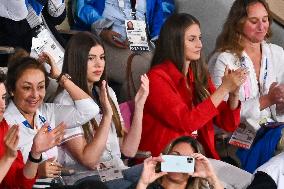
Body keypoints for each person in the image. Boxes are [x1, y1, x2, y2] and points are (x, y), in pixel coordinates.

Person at [138, 13, 248, 160]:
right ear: (174, 42)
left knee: (245, 180)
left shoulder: (198, 74)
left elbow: (227, 124)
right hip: (165, 161)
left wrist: (234, 93)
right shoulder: (156, 78)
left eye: (199, 38)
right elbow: (187, 122)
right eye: (192, 39)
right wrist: (224, 88)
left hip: (197, 159)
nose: (200, 44)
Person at [53, 31, 149, 188]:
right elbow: (89, 160)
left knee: (162, 172)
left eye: (102, 57)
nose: (99, 64)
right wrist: (107, 115)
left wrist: (139, 106)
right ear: (77, 61)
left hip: (117, 170)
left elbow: (129, 151)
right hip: (87, 179)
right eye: (91, 58)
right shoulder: (65, 101)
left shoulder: (106, 91)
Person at [208, 0, 284, 173]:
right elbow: (220, 118)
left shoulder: (277, 53)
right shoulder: (224, 60)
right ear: (238, 23)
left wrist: (280, 102)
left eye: (265, 20)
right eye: (254, 21)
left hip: (274, 129)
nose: (262, 27)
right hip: (234, 140)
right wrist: (266, 100)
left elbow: (279, 112)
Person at [3, 51, 99, 180]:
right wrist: (37, 171)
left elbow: (90, 109)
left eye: (41, 87)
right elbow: (6, 177)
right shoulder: (5, 122)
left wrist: (60, 77)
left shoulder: (47, 111)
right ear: (11, 90)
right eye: (27, 88)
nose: (35, 95)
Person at [70, 0, 175, 101]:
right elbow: (82, 7)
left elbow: (164, 10)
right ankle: (127, 117)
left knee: (163, 67)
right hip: (103, 39)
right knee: (142, 69)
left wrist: (158, 38)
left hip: (142, 40)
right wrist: (102, 29)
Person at [0, 71, 65, 189]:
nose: (2, 105)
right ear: (13, 91)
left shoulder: (4, 127)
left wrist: (35, 154)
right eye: (27, 87)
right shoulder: (9, 122)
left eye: (3, 98)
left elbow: (21, 183)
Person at [0, 0, 67, 100]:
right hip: (21, 53)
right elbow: (15, 28)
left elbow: (57, 19)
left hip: (50, 42)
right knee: (61, 87)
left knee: (79, 71)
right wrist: (37, 4)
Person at [130, 136, 223, 189]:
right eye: (175, 156)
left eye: (187, 160)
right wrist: (142, 184)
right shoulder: (144, 185)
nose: (178, 164)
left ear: (195, 166)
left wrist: (211, 178)